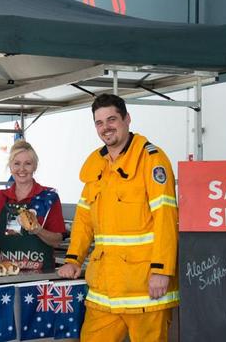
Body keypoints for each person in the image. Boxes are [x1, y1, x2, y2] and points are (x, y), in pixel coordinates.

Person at [58, 94, 179, 341]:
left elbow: (166, 218)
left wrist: (162, 270)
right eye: (99, 122)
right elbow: (83, 218)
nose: (106, 127)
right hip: (105, 288)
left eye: (112, 119)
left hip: (145, 287)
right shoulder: (96, 164)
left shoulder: (151, 160)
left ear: (127, 119)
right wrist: (73, 259)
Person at [0, 140, 66, 270]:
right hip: (7, 274)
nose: (22, 169)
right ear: (10, 167)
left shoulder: (48, 197)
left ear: (34, 166)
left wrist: (38, 230)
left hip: (41, 275)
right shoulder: (0, 197)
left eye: (27, 164)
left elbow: (57, 240)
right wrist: (1, 269)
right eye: (16, 164)